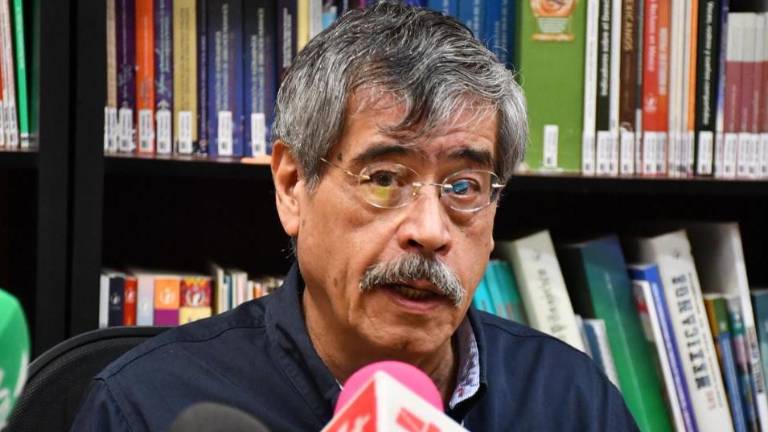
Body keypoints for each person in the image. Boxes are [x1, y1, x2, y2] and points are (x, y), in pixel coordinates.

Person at [71, 2, 638, 430]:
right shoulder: (149, 407)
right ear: (293, 186)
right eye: (385, 179)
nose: (430, 231)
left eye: (464, 187)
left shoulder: (570, 400)